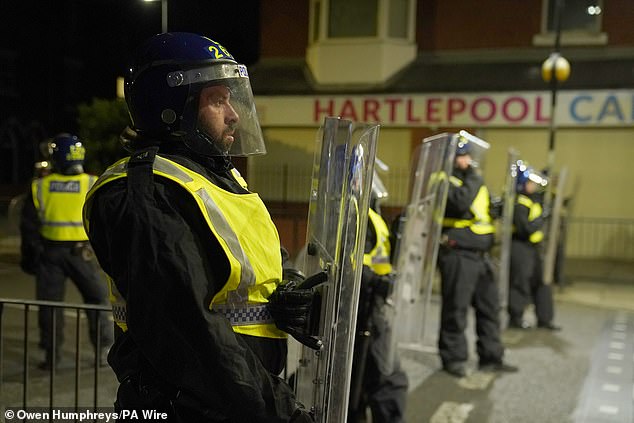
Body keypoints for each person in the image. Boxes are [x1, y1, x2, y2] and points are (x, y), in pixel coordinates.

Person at [82, 32, 316, 422]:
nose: (234, 114)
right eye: (217, 100)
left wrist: (286, 292)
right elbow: (189, 330)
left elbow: (248, 271)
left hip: (238, 402)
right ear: (171, 106)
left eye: (231, 98)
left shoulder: (219, 180)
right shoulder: (146, 190)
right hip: (187, 406)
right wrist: (281, 412)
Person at [19, 133, 113, 370]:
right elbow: (105, 222)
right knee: (96, 300)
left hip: (49, 254)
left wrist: (30, 258)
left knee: (51, 306)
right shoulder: (92, 183)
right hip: (83, 254)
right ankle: (102, 353)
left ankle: (52, 358)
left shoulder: (41, 186)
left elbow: (29, 227)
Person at [437, 138, 518, 378]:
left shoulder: (470, 180)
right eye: (461, 156)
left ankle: (491, 356)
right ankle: (454, 358)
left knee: (489, 308)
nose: (467, 160)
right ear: (449, 158)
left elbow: (478, 209)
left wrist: (494, 208)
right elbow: (458, 203)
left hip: (481, 255)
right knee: (456, 309)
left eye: (467, 155)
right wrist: (475, 177)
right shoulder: (442, 179)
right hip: (458, 253)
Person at [348, 172, 408, 423]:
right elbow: (350, 265)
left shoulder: (367, 213)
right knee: (386, 374)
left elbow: (375, 258)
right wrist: (378, 281)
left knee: (365, 375)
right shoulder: (355, 214)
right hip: (365, 305)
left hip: (372, 303)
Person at [507, 164, 561, 331]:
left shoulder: (532, 199)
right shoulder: (519, 203)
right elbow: (526, 229)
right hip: (521, 246)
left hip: (533, 248)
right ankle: (516, 317)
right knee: (520, 282)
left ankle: (545, 319)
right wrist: (541, 219)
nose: (533, 185)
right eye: (530, 182)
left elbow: (545, 193)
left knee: (542, 283)